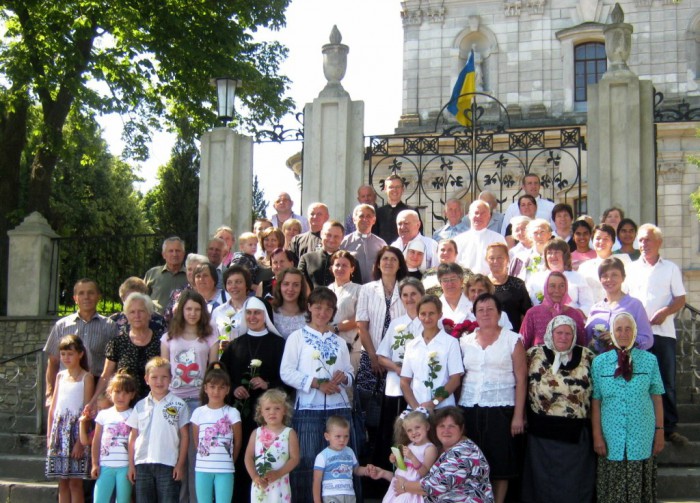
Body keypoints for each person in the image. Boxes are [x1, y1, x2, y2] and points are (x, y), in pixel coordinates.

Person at [280, 287, 357, 502]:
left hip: (338, 408)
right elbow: (286, 372)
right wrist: (315, 383)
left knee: (340, 463)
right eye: (318, 307)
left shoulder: (339, 341)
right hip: (308, 409)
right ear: (309, 307)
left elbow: (350, 373)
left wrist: (344, 378)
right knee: (307, 462)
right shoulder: (297, 337)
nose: (323, 312)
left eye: (328, 309)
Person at [459, 293, 526, 503]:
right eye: (481, 310)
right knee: (471, 462)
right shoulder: (465, 341)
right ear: (475, 314)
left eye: (490, 309)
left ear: (499, 313)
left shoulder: (512, 339)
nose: (485, 313)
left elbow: (522, 380)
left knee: (499, 464)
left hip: (501, 409)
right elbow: (458, 376)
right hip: (469, 408)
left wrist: (518, 416)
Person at [591, 313, 665, 503]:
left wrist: (660, 432)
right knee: (612, 490)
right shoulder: (600, 363)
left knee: (638, 489)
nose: (623, 333)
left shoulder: (650, 360)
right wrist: (597, 436)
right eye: (618, 329)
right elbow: (596, 401)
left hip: (641, 434)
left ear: (635, 331)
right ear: (612, 333)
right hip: (611, 436)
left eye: (628, 328)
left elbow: (657, 398)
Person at [521, 316, 595, 503]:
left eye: (568, 333)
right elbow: (520, 384)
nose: (563, 337)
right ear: (550, 333)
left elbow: (597, 392)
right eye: (559, 332)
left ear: (574, 335)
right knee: (542, 484)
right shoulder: (533, 354)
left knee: (574, 485)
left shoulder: (587, 356)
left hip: (576, 435)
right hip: (541, 435)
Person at [220, 296, 286, 502]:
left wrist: (268, 384)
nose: (252, 317)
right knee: (241, 461)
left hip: (270, 418)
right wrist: (233, 390)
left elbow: (288, 380)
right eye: (248, 313)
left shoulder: (279, 344)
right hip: (240, 417)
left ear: (265, 316)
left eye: (257, 313)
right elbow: (222, 377)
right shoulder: (234, 346)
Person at [627, 223, 688, 446]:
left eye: (648, 239)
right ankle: (641, 425)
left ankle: (669, 428)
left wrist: (666, 311)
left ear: (659, 242)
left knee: (666, 381)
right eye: (640, 240)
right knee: (638, 380)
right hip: (638, 336)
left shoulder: (670, 268)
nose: (643, 244)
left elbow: (680, 299)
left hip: (663, 333)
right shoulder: (632, 269)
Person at [161, 289, 219, 502]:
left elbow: (214, 369)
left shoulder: (211, 336)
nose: (193, 313)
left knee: (196, 457)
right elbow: (163, 371)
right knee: (174, 455)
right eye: (188, 309)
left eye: (197, 309)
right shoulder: (168, 337)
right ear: (181, 311)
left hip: (198, 401)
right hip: (173, 401)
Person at [377, 406, 493, 502]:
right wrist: (385, 472)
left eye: (451, 426)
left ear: (461, 429)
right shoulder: (441, 449)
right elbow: (411, 474)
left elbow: (434, 486)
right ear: (435, 428)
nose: (446, 431)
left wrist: (404, 486)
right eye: (442, 426)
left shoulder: (464, 452)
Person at [356, 247, 409, 448]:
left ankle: (392, 450)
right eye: (384, 259)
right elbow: (362, 324)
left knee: (392, 407)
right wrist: (373, 356)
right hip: (370, 355)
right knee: (368, 407)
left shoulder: (407, 288)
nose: (388, 262)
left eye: (393, 259)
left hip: (397, 360)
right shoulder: (367, 289)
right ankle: (369, 450)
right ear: (378, 264)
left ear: (399, 264)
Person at [44, 279, 118, 407]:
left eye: (91, 293)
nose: (86, 297)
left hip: (98, 387)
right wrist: (50, 393)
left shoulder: (109, 327)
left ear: (98, 297)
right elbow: (53, 362)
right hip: (68, 385)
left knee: (94, 427)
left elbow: (114, 364)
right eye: (81, 293)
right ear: (75, 298)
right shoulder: (62, 326)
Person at [376, 278, 425, 467]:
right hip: (396, 387)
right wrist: (399, 369)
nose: (409, 298)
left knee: (415, 434)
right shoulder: (397, 323)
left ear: (422, 295)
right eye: (405, 295)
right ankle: (393, 475)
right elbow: (381, 356)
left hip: (418, 389)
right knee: (395, 433)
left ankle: (414, 471)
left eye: (413, 294)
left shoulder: (427, 322)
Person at [126, 356, 190, 501]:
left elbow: (185, 436)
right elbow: (133, 436)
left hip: (168, 464)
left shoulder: (179, 404)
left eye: (164, 377)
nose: (159, 382)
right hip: (142, 464)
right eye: (154, 377)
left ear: (171, 379)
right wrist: (131, 465)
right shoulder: (140, 405)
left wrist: (180, 465)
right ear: (146, 379)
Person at [89, 293, 161, 408]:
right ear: (126, 316)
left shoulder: (161, 342)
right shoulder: (117, 343)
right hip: (125, 406)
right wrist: (93, 400)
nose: (137, 315)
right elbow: (106, 375)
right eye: (132, 312)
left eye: (141, 311)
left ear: (149, 314)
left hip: (155, 404)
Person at [46, 335, 95, 501]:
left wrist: (80, 443)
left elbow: (86, 412)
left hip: (76, 433)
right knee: (62, 481)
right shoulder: (60, 376)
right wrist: (49, 436)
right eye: (63, 354)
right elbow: (53, 409)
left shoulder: (86, 378)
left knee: (75, 482)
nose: (66, 358)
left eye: (70, 354)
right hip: (59, 433)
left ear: (80, 354)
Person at [190, 363, 243, 503]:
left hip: (225, 469)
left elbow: (238, 442)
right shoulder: (198, 412)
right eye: (212, 387)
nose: (216, 391)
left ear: (227, 390)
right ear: (205, 388)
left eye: (221, 387)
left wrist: (230, 461)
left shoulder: (232, 413)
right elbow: (196, 440)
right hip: (202, 468)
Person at [401, 295, 464, 411]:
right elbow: (405, 381)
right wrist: (417, 409)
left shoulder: (451, 343)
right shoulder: (411, 345)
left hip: (443, 409)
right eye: (423, 314)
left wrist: (434, 402)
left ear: (440, 314)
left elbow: (455, 380)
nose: (427, 318)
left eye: (431, 313)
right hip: (416, 410)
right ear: (418, 315)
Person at [585, 257, 653, 353]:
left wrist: (618, 339)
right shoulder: (595, 309)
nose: (609, 279)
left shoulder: (635, 305)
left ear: (623, 277)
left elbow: (647, 339)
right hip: (598, 364)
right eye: (605, 276)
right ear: (600, 280)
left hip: (626, 364)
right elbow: (586, 340)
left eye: (614, 275)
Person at [370, 409, 438, 503]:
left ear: (427, 426)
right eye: (409, 430)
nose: (414, 432)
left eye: (417, 427)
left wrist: (413, 457)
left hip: (411, 491)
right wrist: (396, 461)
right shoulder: (410, 445)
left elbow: (424, 473)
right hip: (397, 488)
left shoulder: (430, 448)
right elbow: (404, 468)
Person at [244, 389, 300, 503]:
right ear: (261, 412)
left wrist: (278, 473)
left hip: (280, 485)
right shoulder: (256, 433)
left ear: (284, 410)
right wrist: (255, 477)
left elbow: (295, 458)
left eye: (277, 408)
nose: (272, 412)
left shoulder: (289, 433)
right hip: (260, 486)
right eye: (267, 409)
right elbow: (248, 457)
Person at [91, 372, 137, 503]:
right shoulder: (103, 415)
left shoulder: (134, 414)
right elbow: (97, 440)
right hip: (105, 466)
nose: (121, 396)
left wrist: (132, 467)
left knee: (123, 500)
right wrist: (95, 464)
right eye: (117, 392)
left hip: (125, 467)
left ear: (132, 395)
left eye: (125, 393)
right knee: (100, 499)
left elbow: (134, 442)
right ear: (110, 392)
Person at [525, 237, 594, 315]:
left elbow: (588, 304)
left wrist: (575, 314)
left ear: (565, 255)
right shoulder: (535, 278)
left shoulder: (577, 277)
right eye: (549, 253)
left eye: (557, 252)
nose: (553, 256)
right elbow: (529, 304)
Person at [520, 271, 587, 349]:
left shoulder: (575, 315)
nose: (557, 290)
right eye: (552, 286)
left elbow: (581, 346)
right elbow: (522, 344)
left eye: (561, 286)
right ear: (546, 288)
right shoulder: (533, 314)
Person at [313, 416, 372, 503]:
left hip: (349, 495)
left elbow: (356, 470)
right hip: (331, 495)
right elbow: (317, 480)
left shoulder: (350, 452)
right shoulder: (322, 456)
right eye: (338, 436)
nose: (342, 440)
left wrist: (366, 470)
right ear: (327, 436)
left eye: (346, 436)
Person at [578, 224, 631, 303]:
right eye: (598, 238)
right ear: (592, 241)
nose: (601, 242)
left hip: (620, 308)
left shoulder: (624, 260)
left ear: (612, 242)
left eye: (606, 239)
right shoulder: (584, 267)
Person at [329, 251, 363, 371]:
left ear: (352, 269)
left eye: (345, 265)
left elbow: (360, 318)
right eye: (337, 265)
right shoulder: (326, 291)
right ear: (331, 268)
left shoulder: (360, 290)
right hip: (328, 346)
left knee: (347, 386)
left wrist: (336, 328)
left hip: (351, 346)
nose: (340, 268)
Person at [300, 221, 360, 288]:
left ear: (342, 238)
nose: (332, 240)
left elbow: (357, 287)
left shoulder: (351, 261)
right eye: (328, 235)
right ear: (321, 234)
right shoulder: (307, 259)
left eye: (336, 236)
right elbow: (300, 285)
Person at [487, 243, 532, 332]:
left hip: (514, 338)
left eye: (500, 257)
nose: (495, 261)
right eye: (491, 258)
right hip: (488, 338)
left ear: (507, 259)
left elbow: (526, 315)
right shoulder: (481, 285)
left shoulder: (518, 284)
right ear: (486, 260)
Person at [454, 200, 506, 274]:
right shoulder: (458, 240)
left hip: (490, 283)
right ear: (469, 215)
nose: (479, 216)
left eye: (483, 213)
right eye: (476, 213)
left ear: (489, 217)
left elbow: (504, 264)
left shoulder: (498, 239)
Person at [340, 203, 387, 284]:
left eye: (368, 216)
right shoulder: (344, 242)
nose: (365, 219)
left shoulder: (381, 244)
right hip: (352, 287)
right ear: (354, 220)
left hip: (374, 288)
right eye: (361, 216)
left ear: (374, 220)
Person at [144, 236, 188, 313]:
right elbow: (142, 298)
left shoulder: (191, 276)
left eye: (178, 251)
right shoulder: (152, 274)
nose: (174, 254)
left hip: (182, 322)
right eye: (171, 251)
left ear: (183, 254)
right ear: (164, 254)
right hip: (157, 322)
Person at [212, 266, 253, 342]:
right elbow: (215, 338)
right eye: (229, 283)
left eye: (238, 282)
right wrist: (223, 342)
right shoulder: (218, 311)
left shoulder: (256, 307)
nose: (233, 286)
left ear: (246, 284)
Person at [164, 253, 208, 323]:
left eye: (196, 269)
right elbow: (167, 318)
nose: (192, 273)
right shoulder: (177, 294)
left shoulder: (211, 293)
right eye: (189, 269)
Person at [375, 174, 417, 245]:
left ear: (402, 189)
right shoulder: (378, 213)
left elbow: (417, 236)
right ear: (385, 189)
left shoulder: (412, 212)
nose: (394, 190)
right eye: (391, 187)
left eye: (398, 187)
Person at [270, 267, 308, 339]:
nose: (290, 289)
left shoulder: (309, 313)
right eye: (286, 284)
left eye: (296, 285)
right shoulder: (271, 313)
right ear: (279, 286)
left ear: (301, 288)